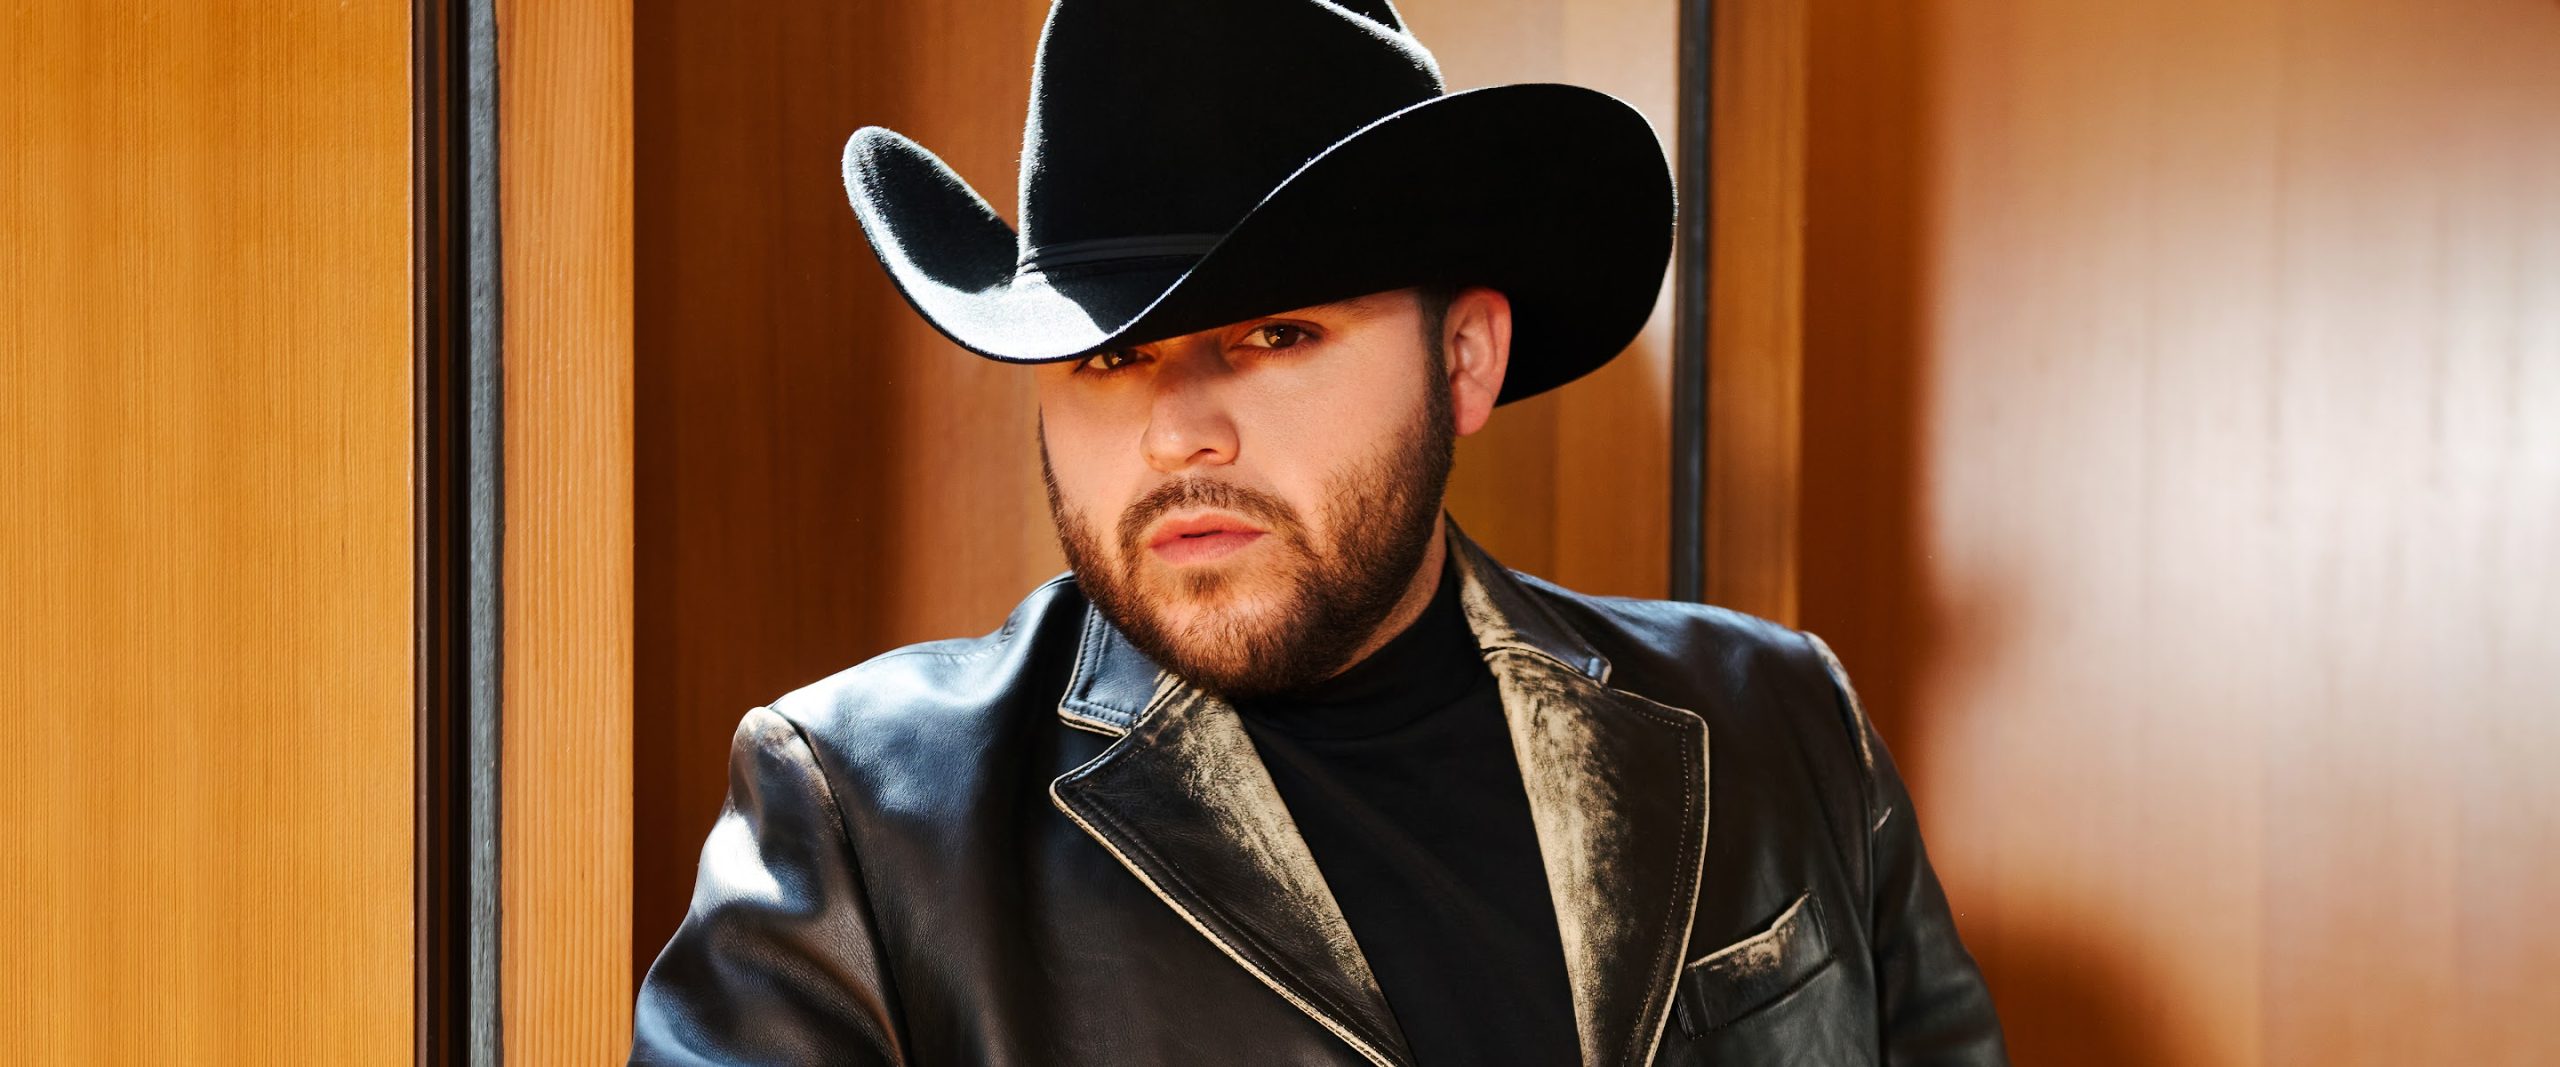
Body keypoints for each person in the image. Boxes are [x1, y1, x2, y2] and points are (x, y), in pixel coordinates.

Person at [630, 1, 2007, 1064]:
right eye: (1110, 356)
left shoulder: (1782, 730)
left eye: (1276, 334)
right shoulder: (860, 824)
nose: (1178, 434)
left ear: (1462, 361)